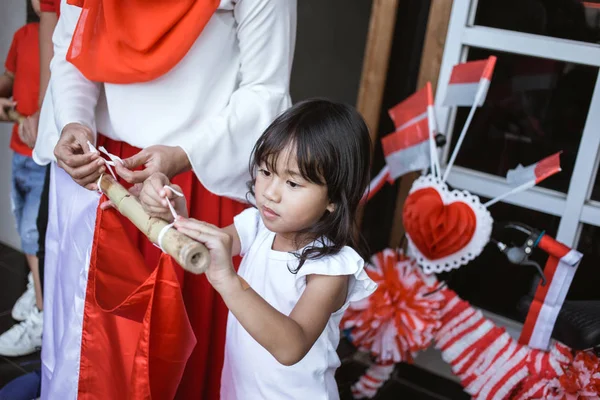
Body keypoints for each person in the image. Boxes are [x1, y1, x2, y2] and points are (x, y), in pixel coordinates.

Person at [33, 0, 296, 398]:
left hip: (197, 174)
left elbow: (265, 90)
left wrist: (182, 155)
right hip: (101, 170)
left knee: (181, 354)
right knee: (90, 353)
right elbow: (72, 46)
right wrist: (74, 119)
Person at [139, 99, 378, 399]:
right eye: (266, 171)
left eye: (292, 183)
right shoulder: (256, 225)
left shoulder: (331, 268)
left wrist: (230, 282)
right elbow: (202, 253)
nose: (271, 192)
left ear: (334, 198)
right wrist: (174, 213)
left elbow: (292, 346)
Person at [0, 0, 45, 358]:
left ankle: (43, 318)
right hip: (20, 152)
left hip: (46, 158)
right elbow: (9, 81)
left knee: (34, 232)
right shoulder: (23, 35)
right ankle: (36, 284)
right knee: (24, 227)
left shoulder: (63, 35)